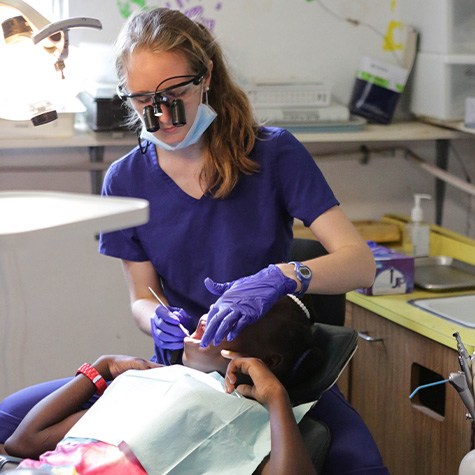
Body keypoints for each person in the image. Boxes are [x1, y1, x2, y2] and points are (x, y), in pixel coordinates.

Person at [0, 7, 384, 474]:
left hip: (257, 364)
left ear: (206, 78)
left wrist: (281, 277)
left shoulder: (273, 154)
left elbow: (359, 264)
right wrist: (156, 317)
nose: (162, 111)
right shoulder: (125, 179)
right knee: (8, 419)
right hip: (182, 365)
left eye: (175, 91)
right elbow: (140, 298)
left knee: (356, 462)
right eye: (143, 99)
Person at [4, 296, 324, 474]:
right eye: (215, 306)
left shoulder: (249, 416)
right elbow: (23, 443)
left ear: (269, 360)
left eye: (230, 317)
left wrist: (276, 398)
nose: (207, 315)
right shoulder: (148, 380)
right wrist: (100, 367)